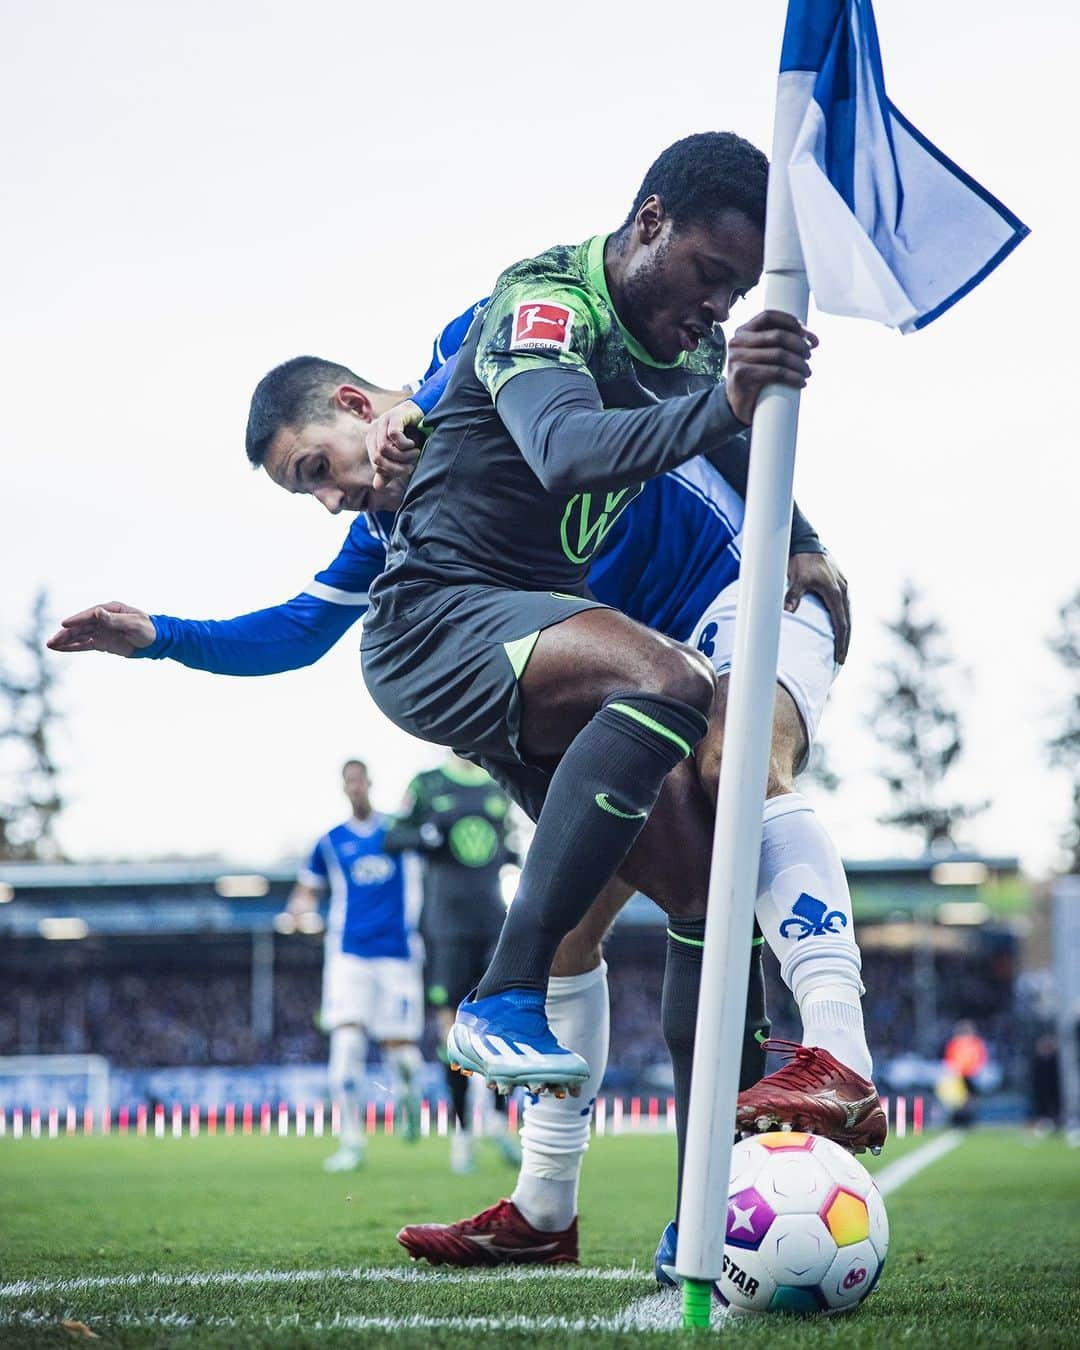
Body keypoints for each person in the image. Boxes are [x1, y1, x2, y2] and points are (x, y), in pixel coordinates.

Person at [48, 134, 881, 1264]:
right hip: (609, 657)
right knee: (590, 908)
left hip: (735, 596)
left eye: (321, 467)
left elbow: (519, 385)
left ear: (355, 403)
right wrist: (165, 640)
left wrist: (806, 540)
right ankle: (548, 1208)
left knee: (733, 776)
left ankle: (830, 1044)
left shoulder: (491, 341)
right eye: (316, 492)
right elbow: (299, 630)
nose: (337, 497)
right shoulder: (407, 534)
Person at [286, 759, 426, 1171]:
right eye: (348, 781)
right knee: (346, 1045)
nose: (355, 787)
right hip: (349, 954)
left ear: (369, 783)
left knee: (401, 1055)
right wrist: (297, 911)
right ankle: (351, 1141)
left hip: (398, 954)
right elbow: (307, 890)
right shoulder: (330, 842)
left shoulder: (397, 833)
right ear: (343, 787)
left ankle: (408, 1095)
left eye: (360, 779)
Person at [384, 752, 521, 1173]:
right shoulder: (427, 783)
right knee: (453, 1030)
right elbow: (395, 838)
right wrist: (426, 835)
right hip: (445, 925)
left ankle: (499, 1121)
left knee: (500, 1021)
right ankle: (462, 1136)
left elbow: (510, 845)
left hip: (493, 920)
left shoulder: (498, 783)